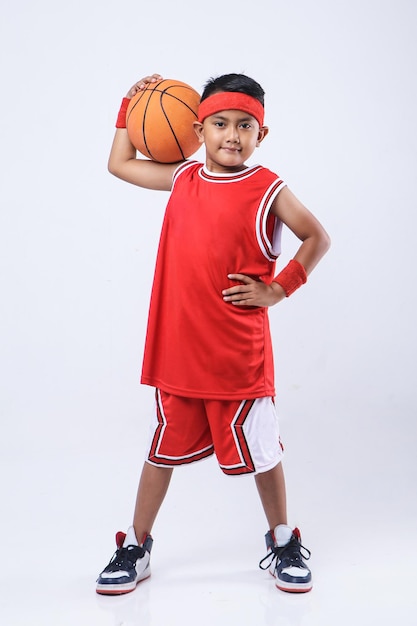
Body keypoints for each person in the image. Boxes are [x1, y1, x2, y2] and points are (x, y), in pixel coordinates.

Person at [96, 72, 330, 596]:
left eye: (245, 126)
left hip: (237, 355)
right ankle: (136, 546)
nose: (231, 135)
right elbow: (119, 163)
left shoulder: (268, 187)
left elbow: (317, 236)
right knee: (160, 450)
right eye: (220, 124)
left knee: (263, 451)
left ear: (260, 135)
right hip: (179, 351)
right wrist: (129, 105)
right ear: (197, 128)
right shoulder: (182, 178)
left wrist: (280, 288)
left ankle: (282, 538)